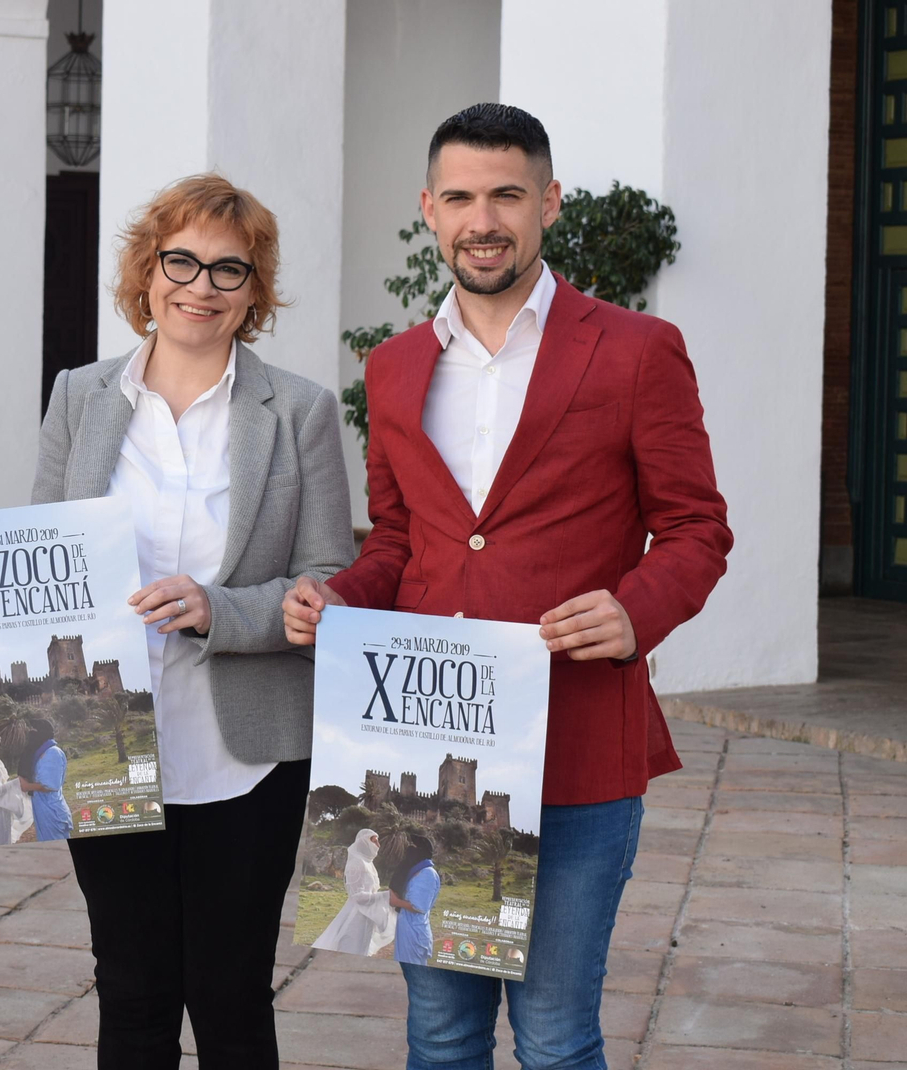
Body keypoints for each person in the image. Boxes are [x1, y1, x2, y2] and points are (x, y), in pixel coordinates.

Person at [284, 103, 732, 1070]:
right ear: (429, 210)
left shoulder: (636, 349)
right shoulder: (396, 367)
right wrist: (339, 598)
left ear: (548, 203)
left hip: (576, 744)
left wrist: (633, 609)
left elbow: (697, 529)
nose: (482, 218)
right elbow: (403, 537)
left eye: (505, 195)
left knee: (556, 1035)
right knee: (440, 1033)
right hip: (428, 742)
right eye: (460, 198)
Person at [0, 174, 354, 1069]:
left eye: (231, 270)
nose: (201, 286)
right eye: (180, 260)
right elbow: (41, 549)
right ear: (147, 273)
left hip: (247, 749)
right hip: (103, 739)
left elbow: (327, 578)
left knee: (229, 996)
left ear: (255, 291)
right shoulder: (79, 395)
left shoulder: (298, 409)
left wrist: (218, 608)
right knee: (133, 989)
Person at [312, 828, 396, 957]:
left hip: (368, 914)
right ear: (364, 842)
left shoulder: (368, 863)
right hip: (356, 915)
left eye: (378, 842)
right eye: (374, 841)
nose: (378, 845)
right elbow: (357, 896)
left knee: (363, 948)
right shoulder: (356, 863)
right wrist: (385, 896)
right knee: (351, 946)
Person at [387, 835, 439, 967]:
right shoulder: (418, 871)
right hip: (408, 930)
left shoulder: (427, 873)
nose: (410, 849)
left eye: (415, 847)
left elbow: (419, 906)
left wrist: (396, 902)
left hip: (414, 933)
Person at [21, 717, 71, 841]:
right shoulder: (42, 752)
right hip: (45, 809)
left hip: (52, 811)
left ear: (42, 733)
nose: (31, 734)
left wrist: (27, 787)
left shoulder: (52, 753)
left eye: (34, 730)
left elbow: (50, 785)